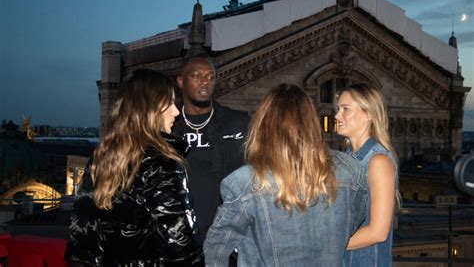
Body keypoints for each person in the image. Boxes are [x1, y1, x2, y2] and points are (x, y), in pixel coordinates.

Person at [203, 83, 368, 266]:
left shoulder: (243, 183)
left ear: (263, 125)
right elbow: (352, 222)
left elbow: (216, 248)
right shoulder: (351, 170)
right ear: (311, 122)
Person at [64, 69, 204, 266]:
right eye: (170, 103)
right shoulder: (161, 162)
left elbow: (82, 236)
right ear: (150, 109)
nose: (176, 111)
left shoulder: (102, 157)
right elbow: (179, 242)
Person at [173, 55, 250, 240]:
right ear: (181, 81)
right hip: (178, 237)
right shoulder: (168, 126)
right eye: (196, 76)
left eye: (210, 77)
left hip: (227, 236)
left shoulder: (238, 123)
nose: (205, 82)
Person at [335, 82, 398, 267]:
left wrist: (325, 245)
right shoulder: (345, 159)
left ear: (368, 114)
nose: (337, 115)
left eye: (345, 109)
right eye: (338, 109)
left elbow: (378, 232)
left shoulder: (378, 161)